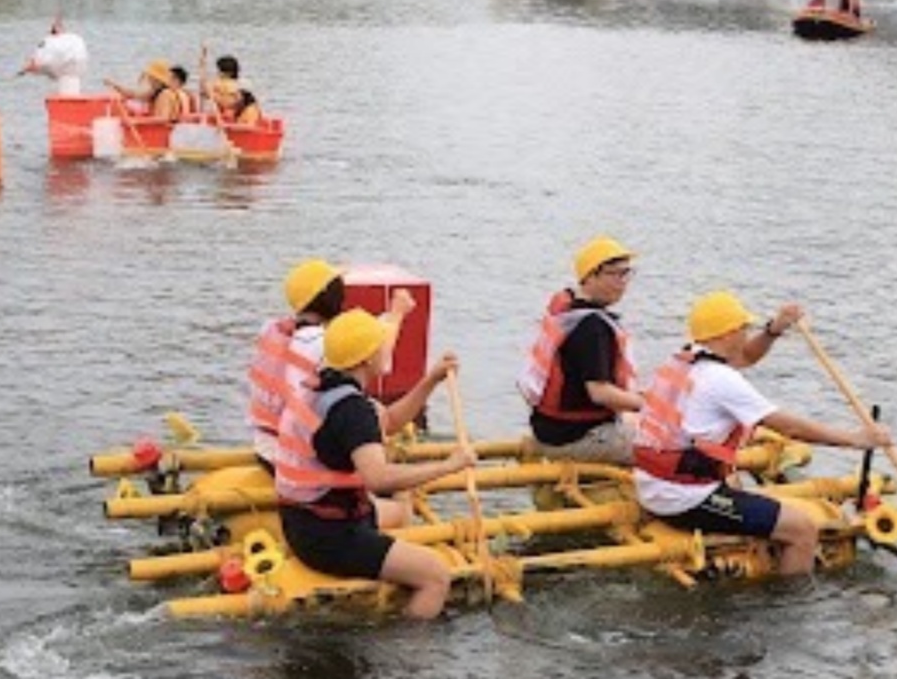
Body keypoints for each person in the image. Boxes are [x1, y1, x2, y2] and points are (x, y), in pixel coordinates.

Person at [633, 292, 892, 576]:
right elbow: (789, 427)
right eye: (744, 329)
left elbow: (745, 356)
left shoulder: (683, 360)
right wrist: (856, 439)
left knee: (737, 483)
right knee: (802, 529)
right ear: (728, 334)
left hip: (652, 484)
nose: (746, 335)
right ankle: (791, 603)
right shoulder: (721, 380)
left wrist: (773, 330)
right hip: (683, 498)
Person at [274, 309, 474, 620]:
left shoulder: (319, 386)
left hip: (300, 519)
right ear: (366, 359)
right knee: (436, 576)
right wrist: (450, 465)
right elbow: (378, 479)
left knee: (399, 512)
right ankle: (405, 654)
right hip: (329, 536)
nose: (387, 350)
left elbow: (390, 421)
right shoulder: (352, 411)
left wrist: (431, 379)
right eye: (382, 345)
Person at [247, 260, 416, 474]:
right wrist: (397, 314)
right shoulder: (317, 343)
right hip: (292, 454)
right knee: (372, 412)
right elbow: (376, 357)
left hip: (264, 444)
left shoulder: (271, 329)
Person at [519, 236, 644, 464]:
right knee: (669, 445)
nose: (623, 282)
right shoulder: (592, 328)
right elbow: (600, 392)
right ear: (590, 276)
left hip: (549, 431)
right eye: (616, 274)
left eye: (627, 273)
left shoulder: (567, 310)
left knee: (634, 421)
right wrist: (649, 404)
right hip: (577, 439)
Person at [15, 16, 89, 96]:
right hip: (69, 68)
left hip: (68, 69)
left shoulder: (59, 41)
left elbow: (46, 58)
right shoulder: (70, 39)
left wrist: (32, 65)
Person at [106, 61, 190, 122]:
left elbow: (163, 119)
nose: (149, 80)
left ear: (157, 79)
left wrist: (140, 121)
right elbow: (134, 94)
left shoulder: (165, 94)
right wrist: (115, 86)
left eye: (151, 77)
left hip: (162, 133)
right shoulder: (155, 92)